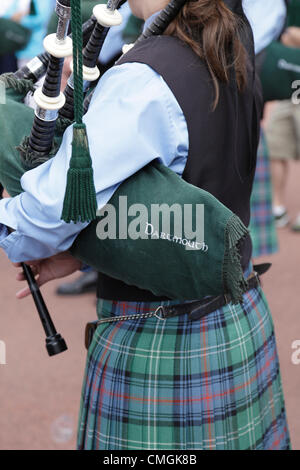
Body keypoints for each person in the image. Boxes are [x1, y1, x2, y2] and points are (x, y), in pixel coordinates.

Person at [0, 0, 290, 450]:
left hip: (166, 345)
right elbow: (177, 193)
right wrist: (86, 250)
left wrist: (15, 221)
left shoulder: (144, 78)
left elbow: (50, 209)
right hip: (239, 317)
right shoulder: (233, 40)